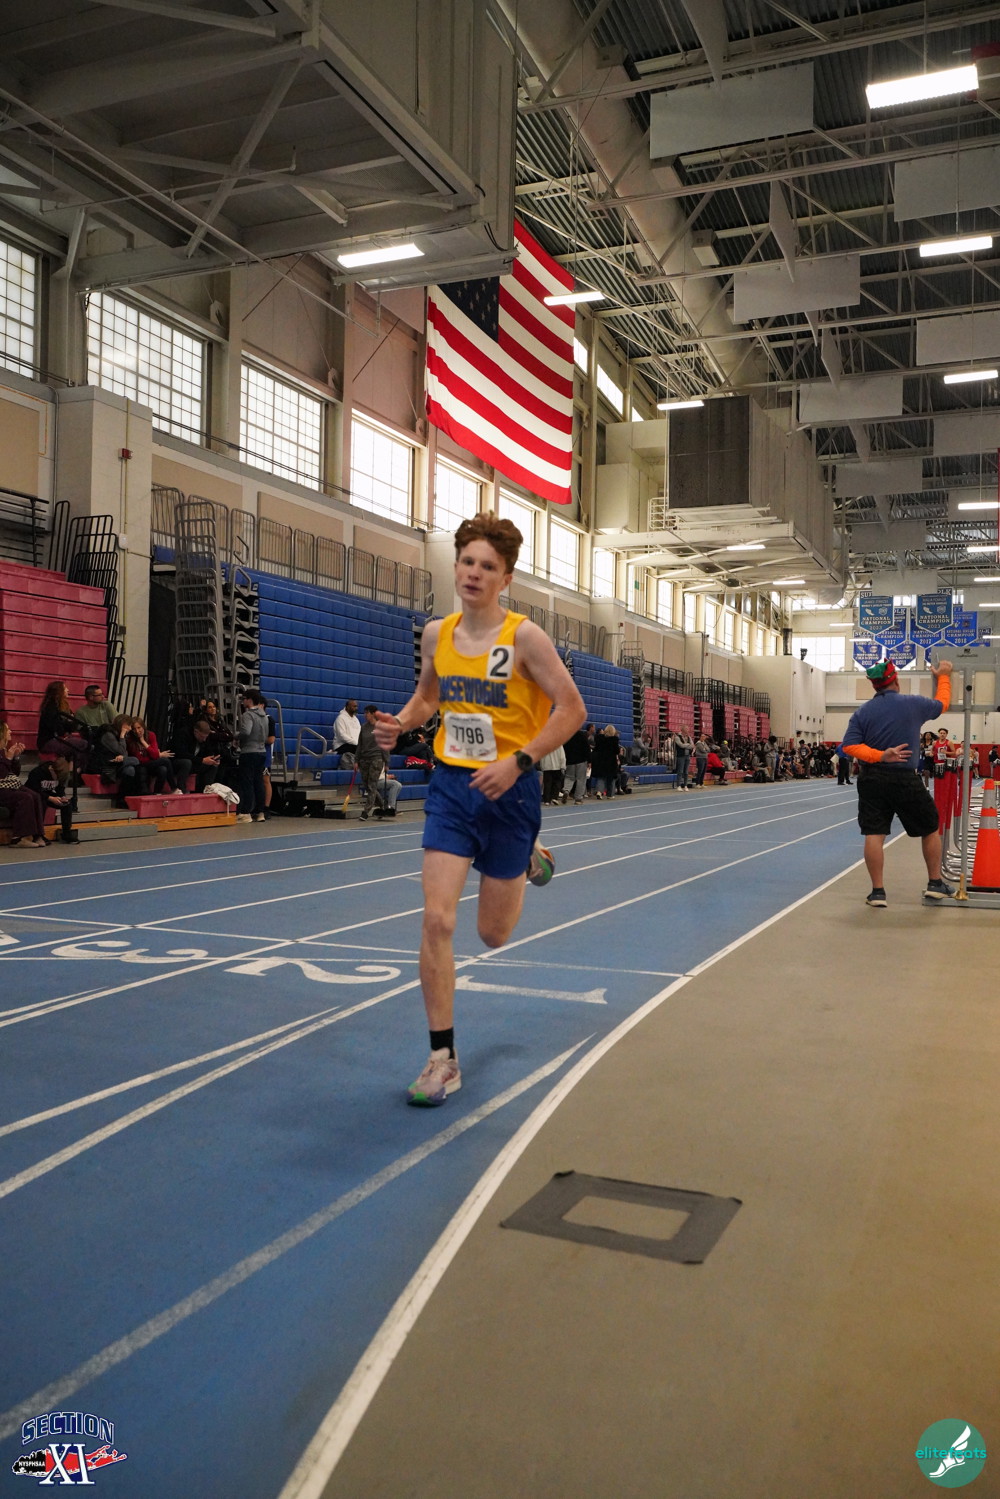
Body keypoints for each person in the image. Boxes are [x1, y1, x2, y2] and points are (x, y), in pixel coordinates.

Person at [372, 512, 585, 1106]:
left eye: (487, 566)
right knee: (437, 920)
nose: (473, 573)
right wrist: (402, 722)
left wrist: (520, 761)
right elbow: (428, 696)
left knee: (492, 934)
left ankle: (527, 856)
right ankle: (442, 1059)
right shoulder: (436, 634)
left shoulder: (525, 638)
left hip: (510, 791)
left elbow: (572, 709)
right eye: (467, 561)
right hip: (452, 788)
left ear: (505, 578)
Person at [842, 657, 954, 907]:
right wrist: (944, 676)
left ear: (875, 685)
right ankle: (935, 883)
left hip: (871, 779)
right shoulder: (913, 704)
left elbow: (849, 746)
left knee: (874, 833)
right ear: (896, 681)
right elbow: (942, 704)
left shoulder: (862, 712)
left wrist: (880, 755)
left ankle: (877, 892)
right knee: (930, 827)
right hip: (904, 778)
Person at [0, 723, 48, 847]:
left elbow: (14, 772)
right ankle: (18, 838)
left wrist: (15, 758)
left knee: (35, 795)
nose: (10, 731)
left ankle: (37, 834)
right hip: (1, 788)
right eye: (7, 729)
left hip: (8, 786)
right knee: (24, 798)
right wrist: (8, 758)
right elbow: (2, 774)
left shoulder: (3, 750)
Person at [36, 681, 89, 770]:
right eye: (65, 688)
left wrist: (69, 724)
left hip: (58, 738)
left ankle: (72, 770)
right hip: (48, 741)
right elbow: (56, 727)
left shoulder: (63, 706)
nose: (68, 690)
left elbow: (71, 726)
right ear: (59, 691)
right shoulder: (50, 708)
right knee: (83, 744)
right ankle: (73, 771)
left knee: (80, 745)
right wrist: (66, 727)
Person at [127, 717, 187, 794]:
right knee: (165, 761)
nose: (137, 731)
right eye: (134, 729)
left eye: (139, 728)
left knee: (163, 769)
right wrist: (154, 756)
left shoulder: (151, 735)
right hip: (140, 765)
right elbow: (139, 759)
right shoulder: (130, 740)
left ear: (143, 727)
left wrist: (143, 742)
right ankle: (174, 788)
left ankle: (157, 792)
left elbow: (155, 755)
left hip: (151, 763)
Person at [25, 755, 78, 843]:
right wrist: (50, 798)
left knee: (67, 805)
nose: (57, 779)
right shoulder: (37, 772)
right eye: (56, 777)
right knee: (42, 803)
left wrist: (62, 797)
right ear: (52, 770)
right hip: (32, 795)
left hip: (48, 794)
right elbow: (34, 789)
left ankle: (66, 833)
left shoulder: (61, 775)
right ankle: (38, 835)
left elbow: (60, 788)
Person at [237, 688, 269, 823]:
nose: (243, 701)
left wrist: (236, 737)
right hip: (261, 751)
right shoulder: (264, 715)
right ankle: (260, 812)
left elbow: (246, 731)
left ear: (249, 700)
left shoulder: (248, 715)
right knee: (258, 782)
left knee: (247, 782)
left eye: (244, 699)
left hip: (249, 751)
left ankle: (246, 812)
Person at [357, 704, 387, 820]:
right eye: (365, 713)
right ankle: (382, 806)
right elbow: (360, 744)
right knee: (367, 785)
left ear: (373, 714)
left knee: (372, 784)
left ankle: (366, 811)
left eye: (367, 713)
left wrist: (386, 762)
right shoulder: (364, 727)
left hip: (376, 758)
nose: (365, 715)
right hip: (364, 758)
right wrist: (356, 760)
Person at [590, 724, 621, 799]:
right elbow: (617, 751)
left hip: (601, 761)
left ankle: (599, 791)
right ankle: (610, 794)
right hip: (611, 761)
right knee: (611, 778)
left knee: (601, 777)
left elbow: (596, 749)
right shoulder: (614, 740)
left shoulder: (600, 739)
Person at [561, 724, 590, 805]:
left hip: (570, 761)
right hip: (581, 761)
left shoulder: (567, 736)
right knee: (581, 779)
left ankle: (566, 790)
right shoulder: (582, 735)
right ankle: (578, 798)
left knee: (569, 777)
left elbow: (564, 748)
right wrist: (589, 761)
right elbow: (587, 749)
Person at [332, 699, 361, 768]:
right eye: (354, 706)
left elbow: (360, 733)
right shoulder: (340, 718)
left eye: (356, 706)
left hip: (354, 744)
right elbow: (342, 736)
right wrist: (356, 743)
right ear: (347, 707)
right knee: (358, 749)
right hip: (341, 745)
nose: (356, 708)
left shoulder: (356, 719)